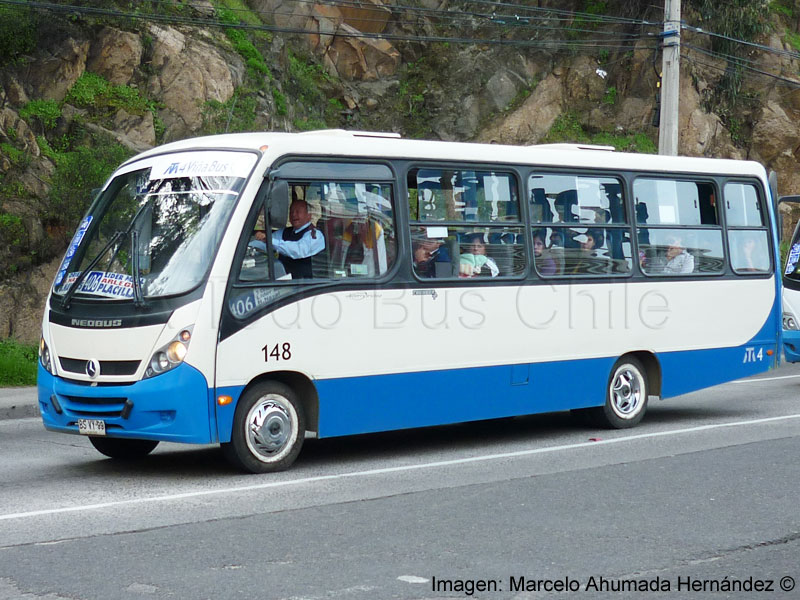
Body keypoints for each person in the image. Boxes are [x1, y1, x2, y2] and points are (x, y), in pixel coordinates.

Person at [272, 199, 325, 279]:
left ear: (308, 215)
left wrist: (270, 241)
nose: (293, 215)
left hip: (307, 284)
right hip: (283, 281)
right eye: (291, 212)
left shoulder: (315, 234)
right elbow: (267, 241)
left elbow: (298, 250)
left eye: (298, 211)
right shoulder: (285, 232)